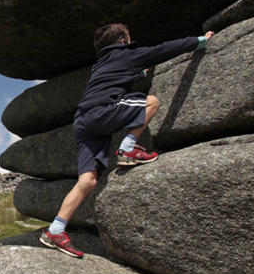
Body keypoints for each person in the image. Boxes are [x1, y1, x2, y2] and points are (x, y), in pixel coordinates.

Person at [40, 23, 215, 258]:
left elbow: (117, 77)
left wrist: (140, 73)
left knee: (88, 180)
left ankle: (55, 230)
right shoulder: (126, 54)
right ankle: (128, 148)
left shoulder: (101, 64)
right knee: (151, 102)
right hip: (102, 111)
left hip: (83, 121)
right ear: (123, 41)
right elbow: (164, 49)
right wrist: (200, 40)